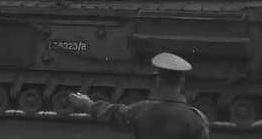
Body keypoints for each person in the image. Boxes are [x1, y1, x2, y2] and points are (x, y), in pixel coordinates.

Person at [69, 52, 209, 139]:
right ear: (182, 80)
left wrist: (87, 104)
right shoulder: (195, 119)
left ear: (158, 79)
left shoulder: (141, 110)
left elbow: (111, 114)